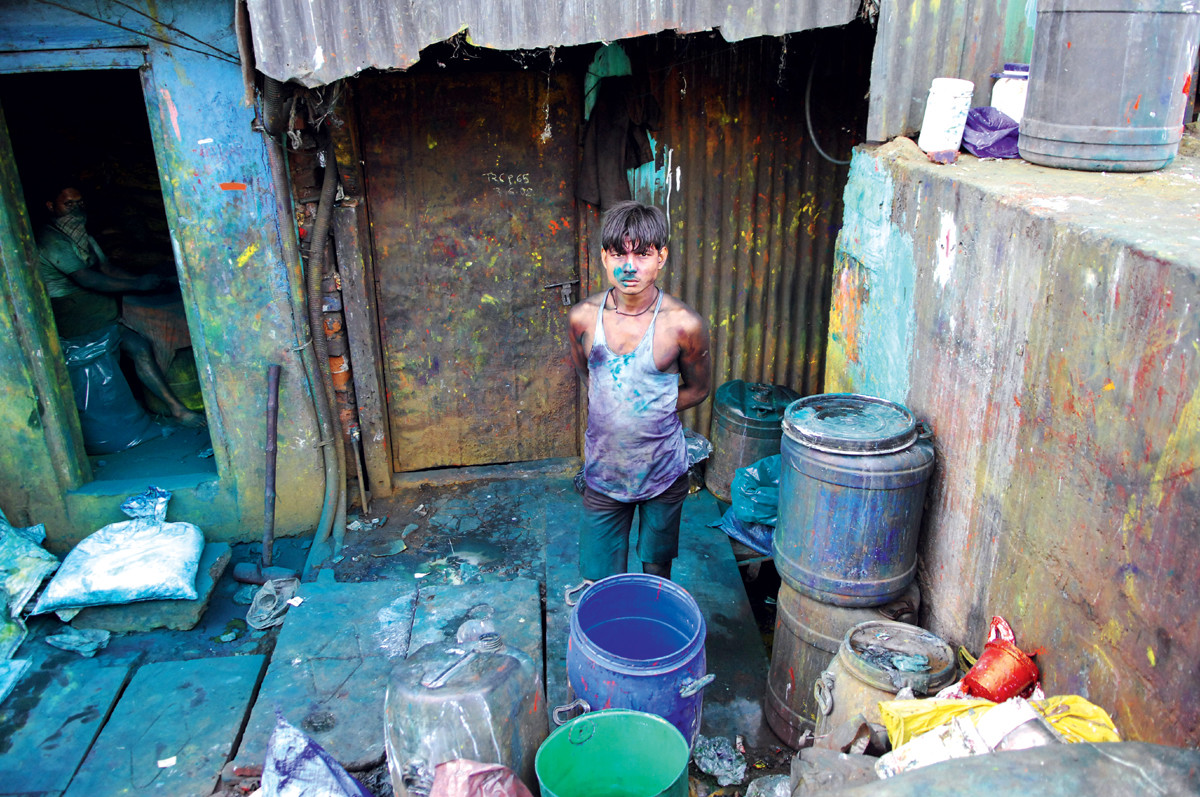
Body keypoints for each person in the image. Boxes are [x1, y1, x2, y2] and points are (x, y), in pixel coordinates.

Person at [568, 200, 711, 581]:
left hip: (663, 471)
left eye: (642, 254)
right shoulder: (582, 318)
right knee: (599, 578)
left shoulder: (684, 324)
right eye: (619, 254)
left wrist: (651, 407)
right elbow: (589, 377)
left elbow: (699, 389)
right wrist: (620, 406)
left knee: (656, 570)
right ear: (604, 257)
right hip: (604, 472)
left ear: (661, 257)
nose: (629, 266)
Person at [36, 185, 205, 428]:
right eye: (68, 204)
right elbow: (87, 278)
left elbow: (107, 269)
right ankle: (177, 410)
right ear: (51, 206)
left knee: (140, 346)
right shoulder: (51, 239)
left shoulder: (80, 235)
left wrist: (145, 283)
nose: (76, 209)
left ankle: (174, 409)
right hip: (76, 318)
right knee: (138, 347)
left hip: (99, 311)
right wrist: (137, 285)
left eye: (80, 202)